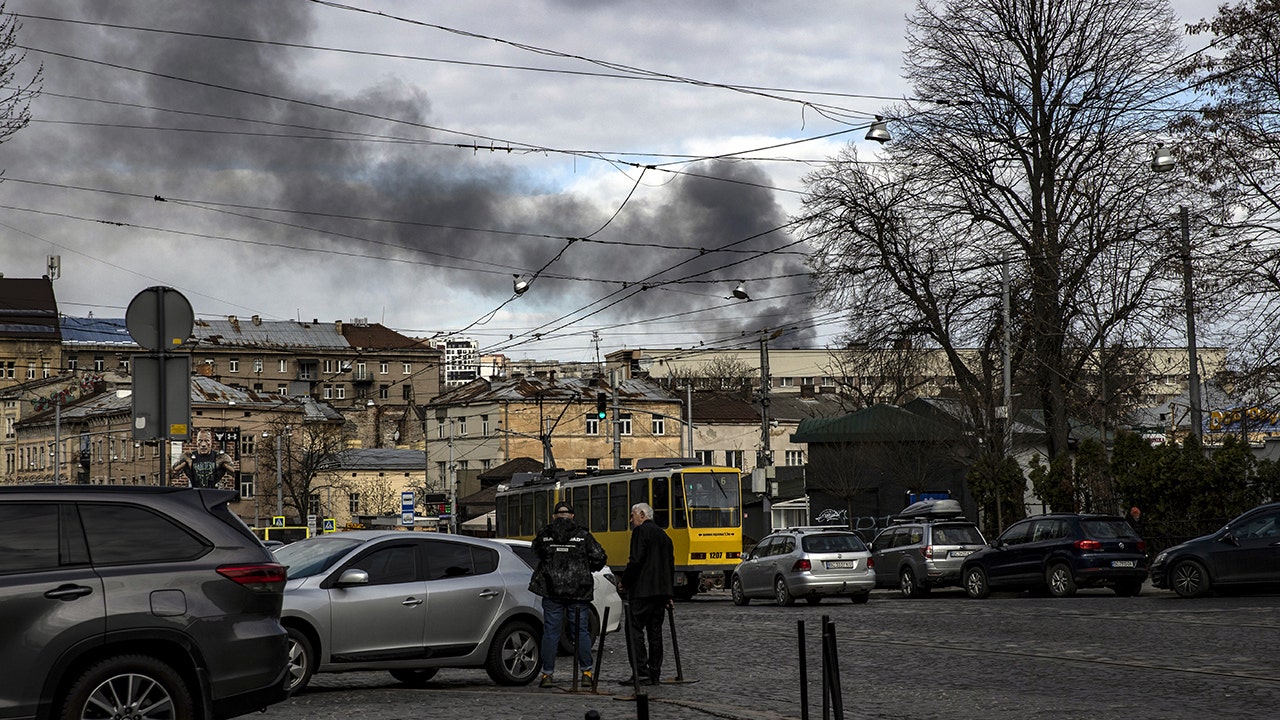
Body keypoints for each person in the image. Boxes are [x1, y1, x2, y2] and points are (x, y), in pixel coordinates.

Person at [529, 501, 607, 689]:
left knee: (550, 633)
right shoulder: (583, 535)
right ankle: (586, 673)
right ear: (572, 516)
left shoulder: (545, 534)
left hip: (551, 591)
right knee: (580, 632)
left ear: (555, 516)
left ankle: (547, 675)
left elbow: (536, 552)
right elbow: (599, 557)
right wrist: (586, 568)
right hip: (578, 591)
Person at [620, 502, 675, 686]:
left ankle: (641, 671)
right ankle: (654, 673)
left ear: (642, 514)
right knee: (655, 633)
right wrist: (669, 594)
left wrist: (625, 582)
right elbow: (669, 567)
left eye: (632, 515)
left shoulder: (640, 532)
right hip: (660, 593)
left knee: (634, 631)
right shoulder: (665, 537)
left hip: (642, 592)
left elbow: (635, 560)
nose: (631, 520)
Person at [170, 428, 238, 489]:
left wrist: (223, 465)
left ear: (211, 442)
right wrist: (185, 462)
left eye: (206, 441)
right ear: (196, 442)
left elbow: (235, 473)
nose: (203, 444)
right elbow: (172, 474)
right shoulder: (188, 457)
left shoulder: (220, 457)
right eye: (200, 440)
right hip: (196, 494)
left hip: (213, 495)